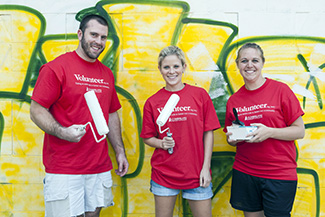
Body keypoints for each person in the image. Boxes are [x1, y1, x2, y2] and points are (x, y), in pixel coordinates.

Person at [30, 14, 128, 217]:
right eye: (94, 35)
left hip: (98, 166)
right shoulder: (56, 68)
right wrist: (63, 132)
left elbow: (111, 114)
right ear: (80, 34)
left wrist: (119, 150)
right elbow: (36, 110)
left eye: (103, 37)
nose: (99, 42)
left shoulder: (105, 74)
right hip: (65, 168)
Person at [224, 43, 305, 217]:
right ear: (238, 65)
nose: (249, 65)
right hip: (245, 171)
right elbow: (230, 137)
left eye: (255, 60)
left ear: (262, 63)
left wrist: (270, 132)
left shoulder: (280, 90)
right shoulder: (234, 100)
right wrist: (233, 138)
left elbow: (299, 131)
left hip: (279, 174)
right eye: (244, 61)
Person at [140, 45, 220, 217]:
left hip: (197, 174)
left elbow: (208, 133)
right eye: (166, 67)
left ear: (184, 67)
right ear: (160, 69)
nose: (171, 71)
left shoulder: (199, 95)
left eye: (176, 66)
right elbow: (147, 137)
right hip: (164, 175)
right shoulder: (153, 102)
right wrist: (161, 143)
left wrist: (205, 168)